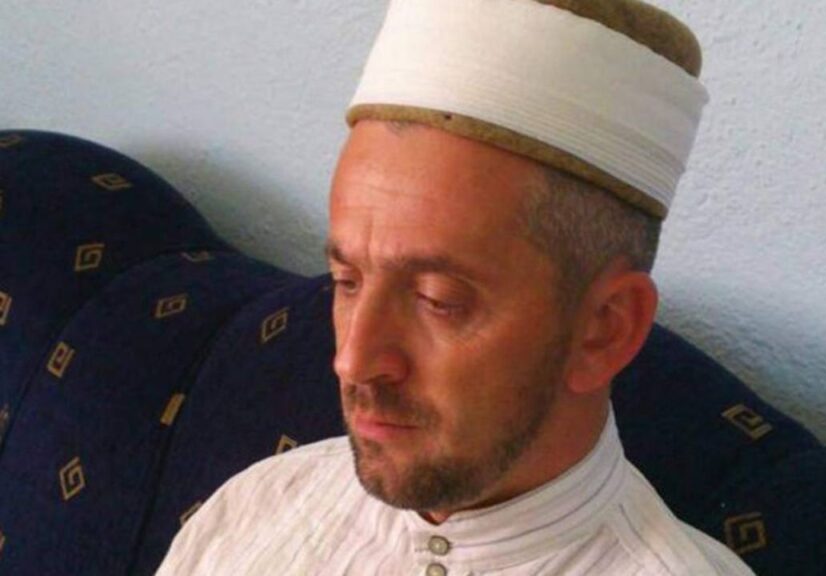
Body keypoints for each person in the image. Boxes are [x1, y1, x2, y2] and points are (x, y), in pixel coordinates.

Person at [156, 0, 755, 574]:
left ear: (604, 329)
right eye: (346, 281)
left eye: (437, 300)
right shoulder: (255, 511)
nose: (352, 361)